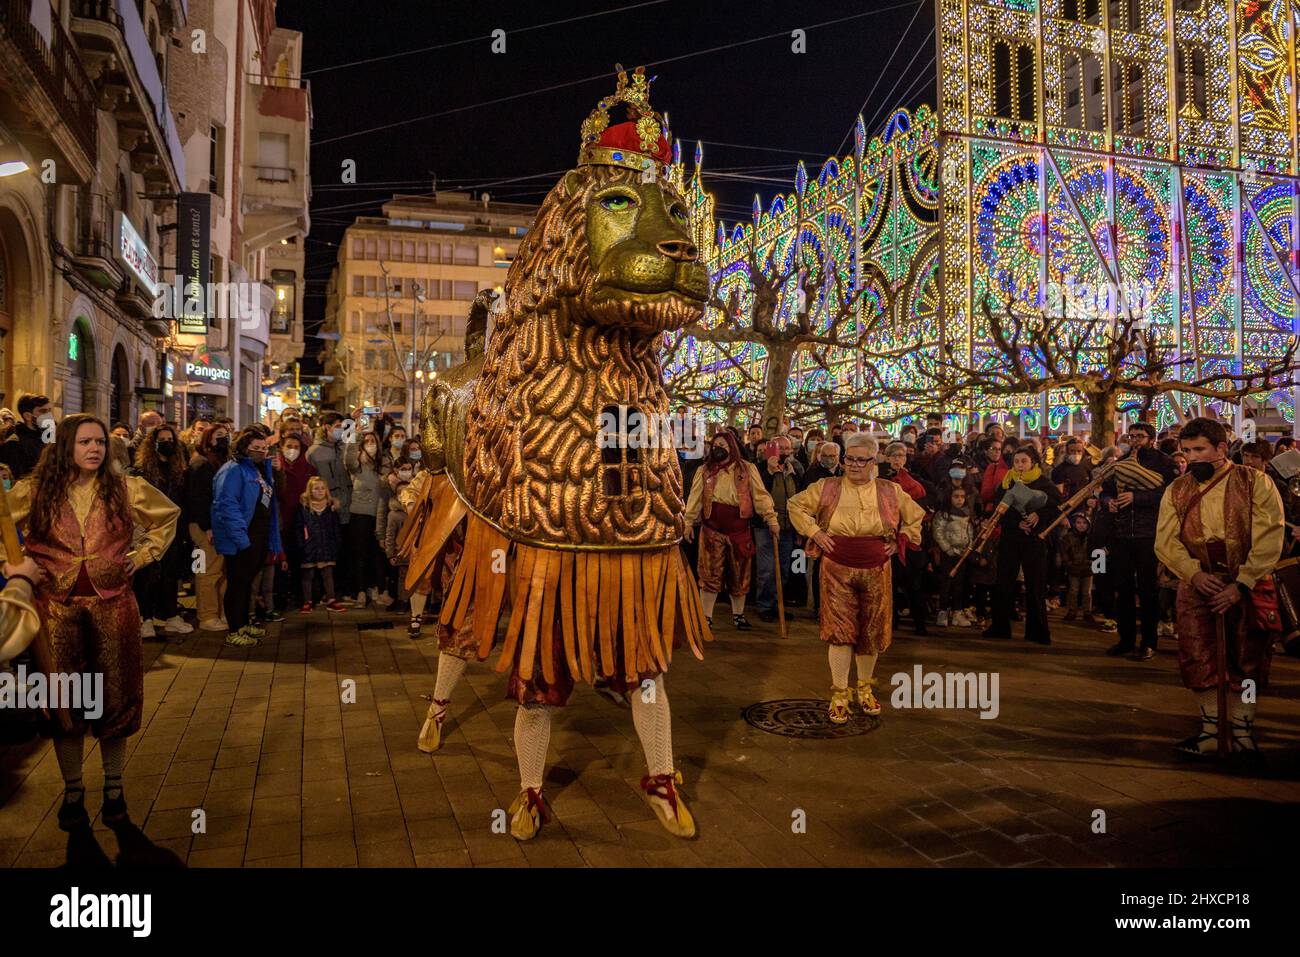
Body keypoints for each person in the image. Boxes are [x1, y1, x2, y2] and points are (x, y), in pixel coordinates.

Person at [2, 414, 179, 830]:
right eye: (84, 442)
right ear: (66, 446)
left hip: (114, 606)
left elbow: (167, 516)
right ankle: (73, 790)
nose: (94, 449)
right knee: (65, 702)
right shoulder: (35, 490)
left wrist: (146, 553)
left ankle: (114, 790)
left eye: (99, 442)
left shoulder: (126, 487)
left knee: (115, 698)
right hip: (55, 610)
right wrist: (14, 564)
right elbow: (2, 525)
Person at [1155, 417, 1284, 760]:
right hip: (1198, 582)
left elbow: (1270, 535)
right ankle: (1211, 730)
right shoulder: (1176, 489)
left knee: (1250, 659)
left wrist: (1243, 582)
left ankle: (1242, 730)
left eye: (1200, 449)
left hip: (1248, 582)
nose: (1193, 457)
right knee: (1197, 656)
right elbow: (1165, 541)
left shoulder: (1255, 481)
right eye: (1187, 451)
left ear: (1222, 448)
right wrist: (1193, 575)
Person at [788, 433, 924, 722]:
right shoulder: (827, 486)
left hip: (876, 567)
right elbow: (795, 506)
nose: (854, 465)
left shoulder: (889, 490)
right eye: (850, 459)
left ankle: (864, 688)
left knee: (871, 630)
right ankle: (839, 692)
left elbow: (915, 516)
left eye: (862, 460)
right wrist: (816, 533)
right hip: (836, 566)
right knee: (839, 630)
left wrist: (900, 539)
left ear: (874, 462)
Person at [683, 428, 779, 630]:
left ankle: (738, 616)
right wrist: (688, 521)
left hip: (739, 530)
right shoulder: (705, 470)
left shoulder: (747, 469)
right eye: (716, 446)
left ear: (732, 447)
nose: (718, 449)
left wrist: (771, 518)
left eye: (723, 446)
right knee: (709, 574)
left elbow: (760, 496)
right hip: (712, 529)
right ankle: (706, 617)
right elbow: (695, 498)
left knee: (740, 574)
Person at [1099, 422, 1176, 661]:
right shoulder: (1121, 462)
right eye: (1131, 436)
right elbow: (1105, 490)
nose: (1134, 441)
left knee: (1148, 590)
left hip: (1148, 534)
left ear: (1151, 438)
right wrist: (1108, 501)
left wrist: (1137, 497)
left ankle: (1149, 641)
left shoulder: (1164, 462)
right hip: (1122, 534)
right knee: (1123, 589)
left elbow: (1170, 493)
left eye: (1140, 436)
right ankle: (1126, 639)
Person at [211, 428, 282, 647]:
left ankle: (243, 623)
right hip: (243, 535)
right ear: (244, 447)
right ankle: (234, 629)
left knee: (247, 582)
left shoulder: (258, 469)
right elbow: (227, 505)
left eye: (264, 448)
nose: (261, 451)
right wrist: (241, 539)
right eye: (256, 448)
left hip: (259, 533)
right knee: (237, 583)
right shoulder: (232, 470)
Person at [984, 446, 1061, 644]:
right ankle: (1000, 627)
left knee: (1036, 584)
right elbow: (999, 507)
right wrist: (1015, 522)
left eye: (1023, 461)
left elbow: (1056, 506)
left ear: (1033, 462)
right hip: (1011, 538)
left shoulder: (1043, 483)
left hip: (1035, 539)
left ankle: (1037, 631)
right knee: (1004, 582)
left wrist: (1039, 515)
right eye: (1016, 461)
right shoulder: (1007, 482)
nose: (1019, 465)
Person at [130, 423, 192, 639]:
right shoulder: (141, 472)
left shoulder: (179, 472)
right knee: (146, 576)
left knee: (170, 574)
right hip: (149, 531)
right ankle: (145, 619)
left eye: (170, 440)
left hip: (174, 532)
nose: (167, 444)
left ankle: (171, 616)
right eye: (162, 440)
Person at [184, 424, 230, 631]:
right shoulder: (201, 464)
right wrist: (207, 527)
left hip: (218, 524)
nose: (223, 439)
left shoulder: (220, 462)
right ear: (207, 439)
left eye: (226, 435)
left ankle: (220, 611)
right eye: (218, 436)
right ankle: (207, 615)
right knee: (206, 571)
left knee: (220, 571)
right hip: (204, 527)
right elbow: (198, 498)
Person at [754, 436, 800, 623]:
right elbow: (758, 493)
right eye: (779, 448)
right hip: (765, 526)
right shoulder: (759, 469)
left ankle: (776, 605)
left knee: (783, 569)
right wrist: (770, 472)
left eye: (787, 448)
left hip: (788, 527)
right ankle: (764, 606)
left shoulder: (794, 469)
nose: (783, 451)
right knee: (767, 569)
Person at [308, 416, 353, 598]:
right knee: (328, 550)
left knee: (346, 549)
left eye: (343, 427)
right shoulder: (314, 451)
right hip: (326, 508)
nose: (340, 430)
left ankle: (343, 589)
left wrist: (352, 422)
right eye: (337, 426)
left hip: (348, 505)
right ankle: (325, 592)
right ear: (326, 427)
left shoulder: (346, 448)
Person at [344, 430, 387, 607]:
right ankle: (360, 590)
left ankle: (376, 587)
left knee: (377, 554)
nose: (371, 444)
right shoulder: (357, 463)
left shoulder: (384, 463)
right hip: (361, 513)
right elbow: (348, 455)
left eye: (373, 441)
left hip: (379, 513)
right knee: (359, 553)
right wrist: (351, 425)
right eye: (367, 441)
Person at [275, 431, 316, 611]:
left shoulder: (307, 468)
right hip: (280, 521)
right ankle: (281, 595)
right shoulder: (276, 467)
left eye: (296, 447)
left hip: (301, 522)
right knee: (281, 561)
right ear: (282, 448)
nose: (292, 450)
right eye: (289, 447)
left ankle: (301, 596)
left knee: (300, 559)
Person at [296, 476, 346, 612]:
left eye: (322, 488)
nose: (320, 491)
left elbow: (336, 528)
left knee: (328, 574)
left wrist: (336, 543)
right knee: (308, 575)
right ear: (310, 490)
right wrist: (302, 544)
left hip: (326, 545)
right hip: (310, 546)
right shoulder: (304, 508)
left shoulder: (330, 508)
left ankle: (331, 599)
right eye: (316, 489)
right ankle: (307, 600)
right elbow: (299, 528)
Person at [931, 484, 974, 627]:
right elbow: (938, 532)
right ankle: (943, 611)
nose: (959, 500)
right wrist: (948, 549)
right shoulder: (944, 514)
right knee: (946, 583)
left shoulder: (967, 514)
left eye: (962, 497)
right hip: (948, 554)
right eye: (956, 496)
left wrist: (969, 547)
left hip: (962, 554)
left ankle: (957, 611)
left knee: (959, 584)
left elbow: (969, 532)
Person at [0, 394, 52, 479]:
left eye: (49, 411)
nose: (49, 415)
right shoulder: (14, 444)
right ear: (27, 416)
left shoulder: (48, 439)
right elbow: (13, 481)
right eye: (43, 411)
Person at [1059, 512, 1095, 622]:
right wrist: (1068, 564)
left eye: (1084, 523)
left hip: (1088, 569)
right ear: (1074, 523)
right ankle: (1072, 611)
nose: (1081, 525)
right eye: (1078, 522)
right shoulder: (1068, 537)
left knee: (1087, 592)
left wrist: (1096, 566)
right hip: (1073, 569)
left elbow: (1096, 552)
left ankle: (1087, 612)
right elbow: (1064, 552)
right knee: (1073, 591)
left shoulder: (1092, 538)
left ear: (1088, 525)